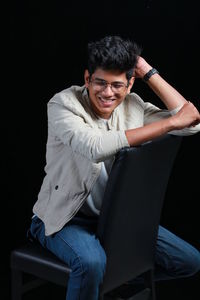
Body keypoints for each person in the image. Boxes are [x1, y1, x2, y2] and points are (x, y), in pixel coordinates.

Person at [29, 35, 200, 300]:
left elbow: (191, 124)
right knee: (91, 264)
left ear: (130, 84)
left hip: (114, 220)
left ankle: (106, 289)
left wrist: (148, 72)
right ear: (87, 79)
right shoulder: (63, 104)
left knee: (188, 260)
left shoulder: (133, 106)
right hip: (64, 219)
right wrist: (169, 124)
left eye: (117, 85)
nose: (107, 93)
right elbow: (95, 147)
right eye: (100, 83)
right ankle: (96, 285)